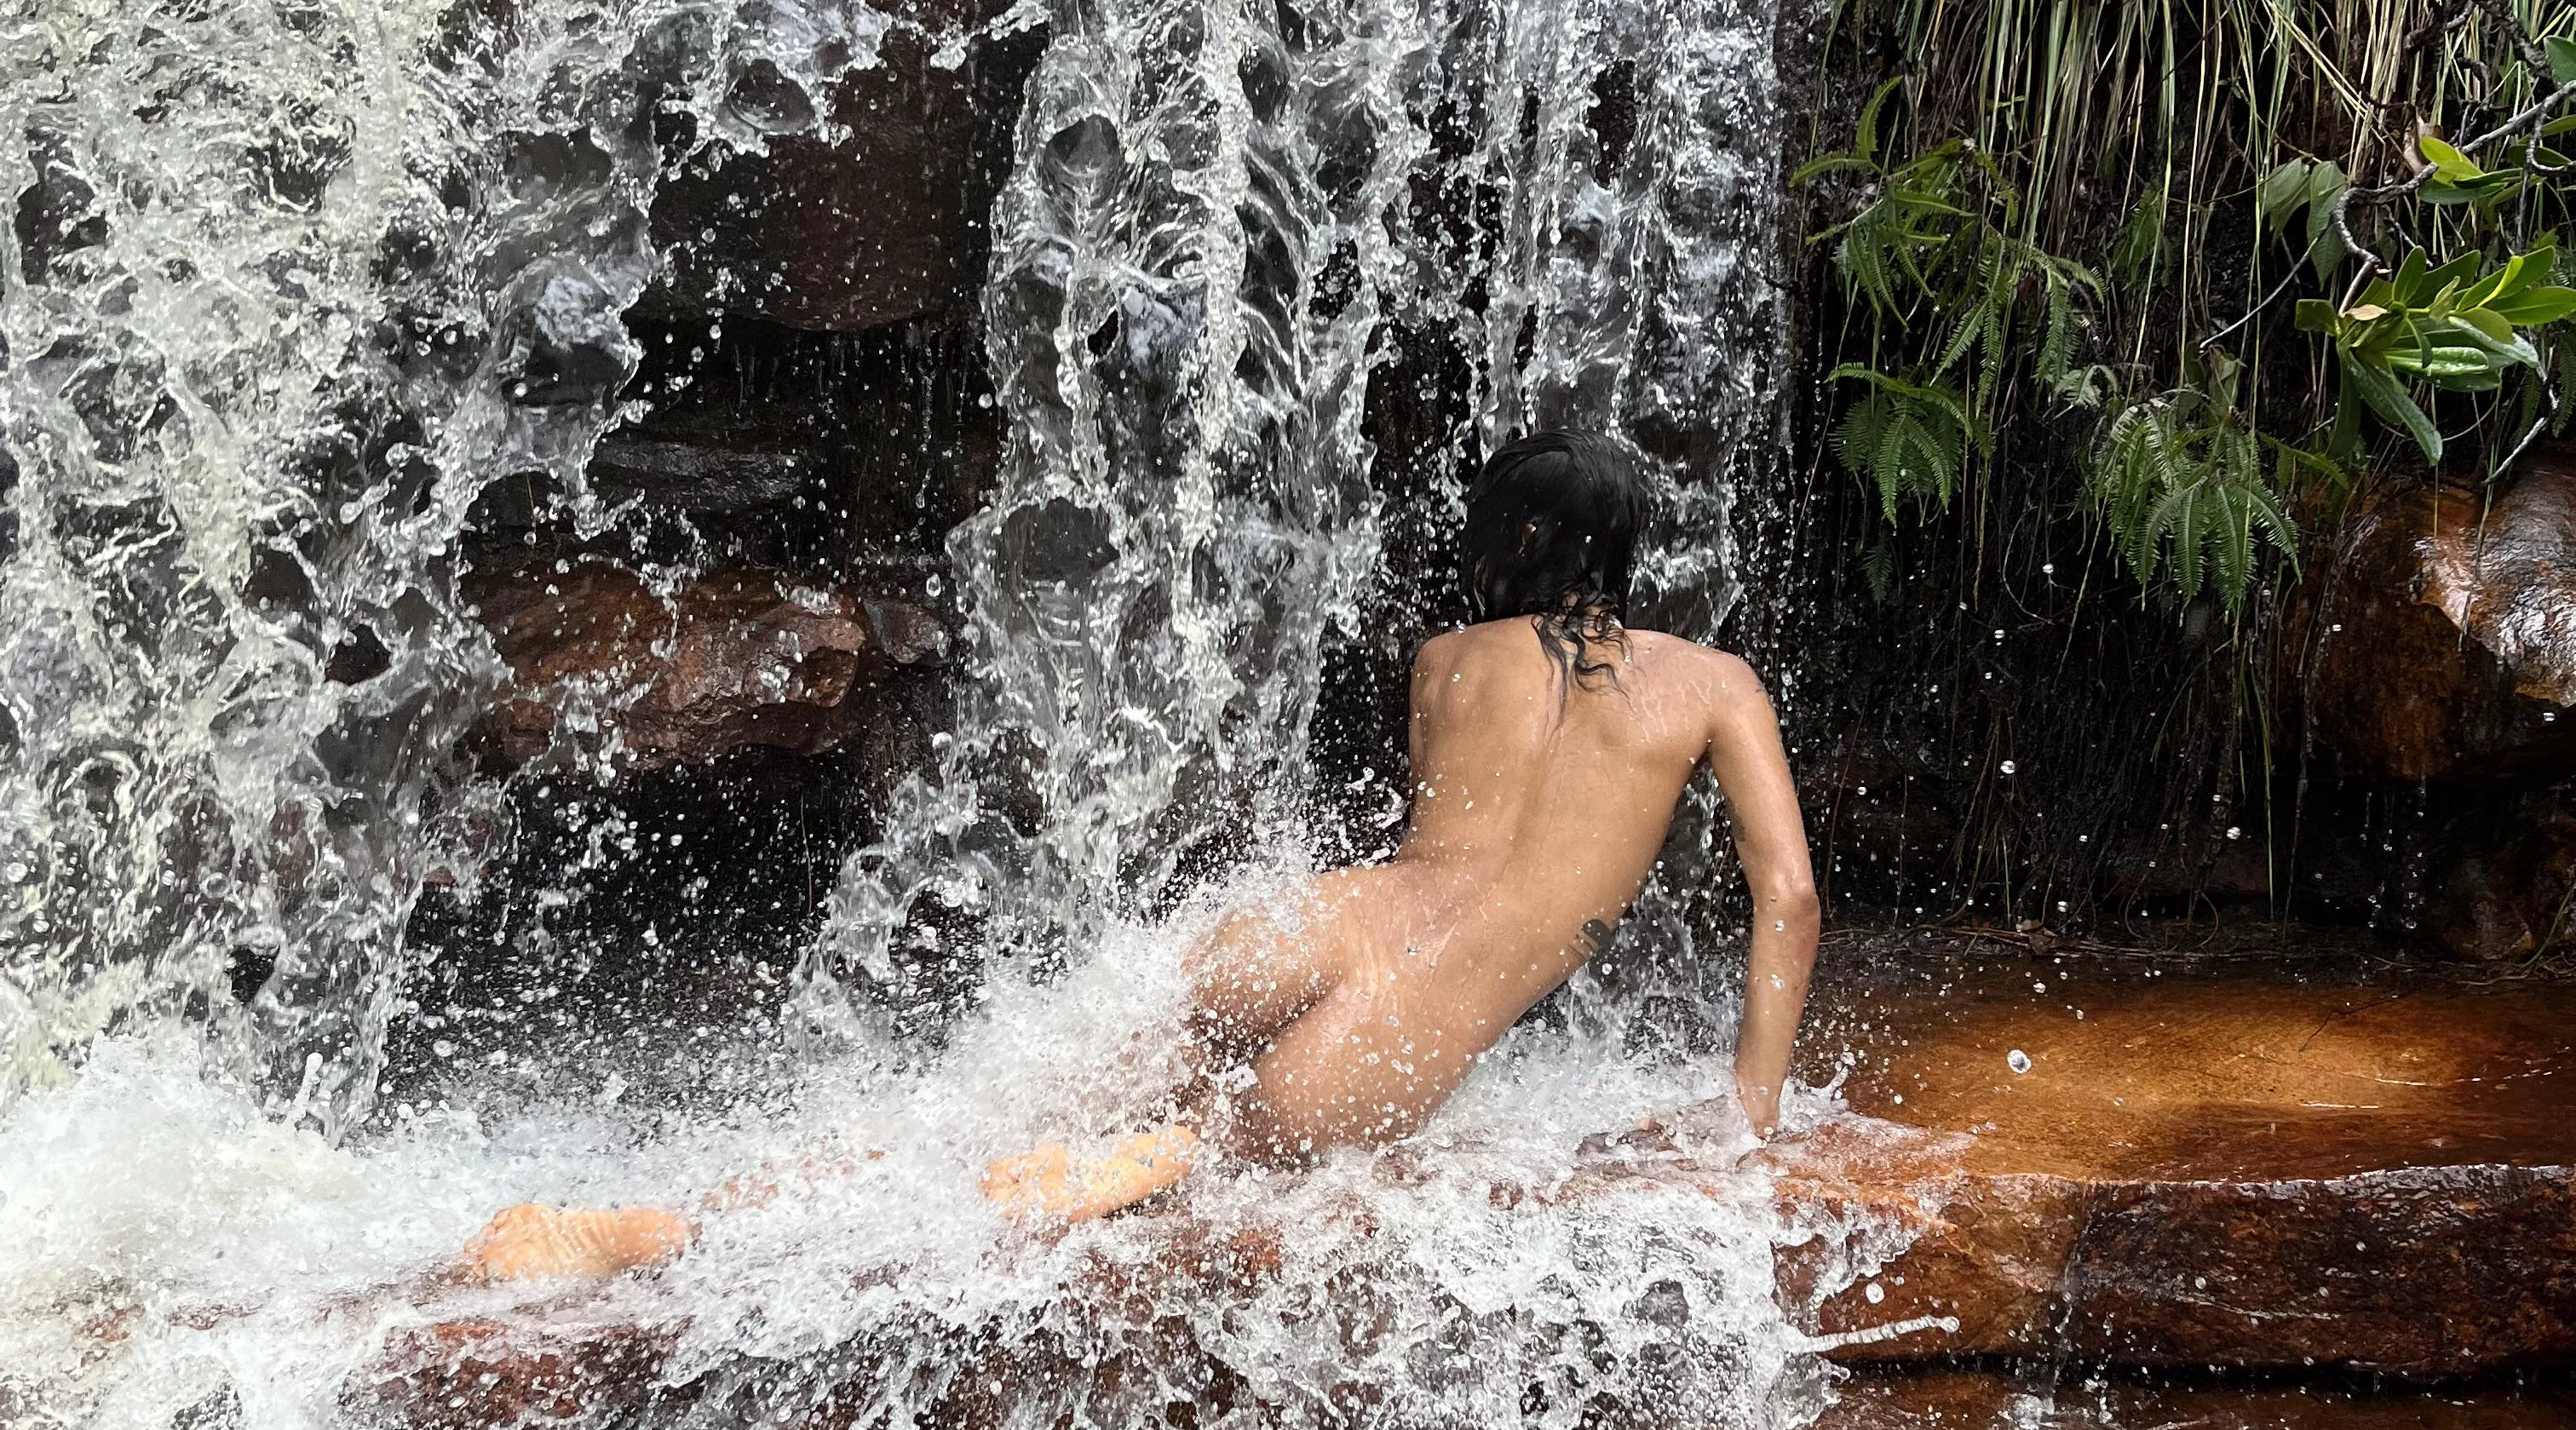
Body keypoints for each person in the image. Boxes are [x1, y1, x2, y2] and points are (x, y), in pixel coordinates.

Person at [460, 430, 1818, 1279]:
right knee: (1206, 1154)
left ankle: (674, 1221)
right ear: (1620, 551)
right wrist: (1749, 1114)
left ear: (1510, 543)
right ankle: (1153, 1159)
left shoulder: (1449, 661)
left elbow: (1448, 835)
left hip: (1307, 925)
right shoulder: (1714, 686)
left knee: (990, 1118)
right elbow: (1790, 897)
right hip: (1412, 1024)